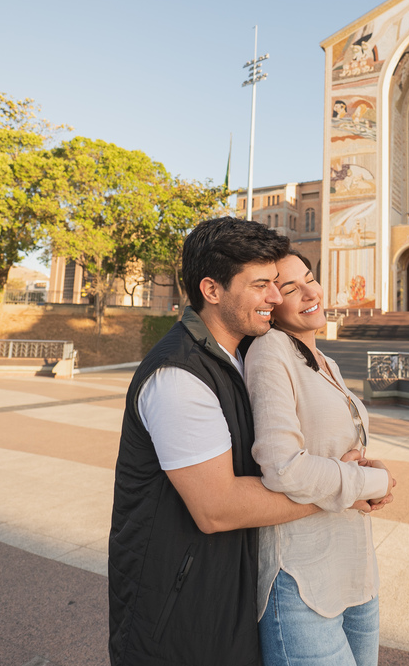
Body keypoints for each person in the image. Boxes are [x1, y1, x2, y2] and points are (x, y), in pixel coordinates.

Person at [107, 218, 369, 665]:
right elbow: (218, 507)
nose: (274, 297)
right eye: (261, 285)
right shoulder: (179, 375)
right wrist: (348, 487)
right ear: (211, 290)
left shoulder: (236, 357)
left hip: (225, 593)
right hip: (176, 613)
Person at [245, 250, 397, 666]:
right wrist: (368, 484)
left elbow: (336, 449)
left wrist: (370, 466)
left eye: (310, 278)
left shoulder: (325, 360)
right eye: (291, 288)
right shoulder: (270, 352)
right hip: (302, 581)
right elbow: (283, 466)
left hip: (356, 570)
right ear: (273, 303)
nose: (310, 291)